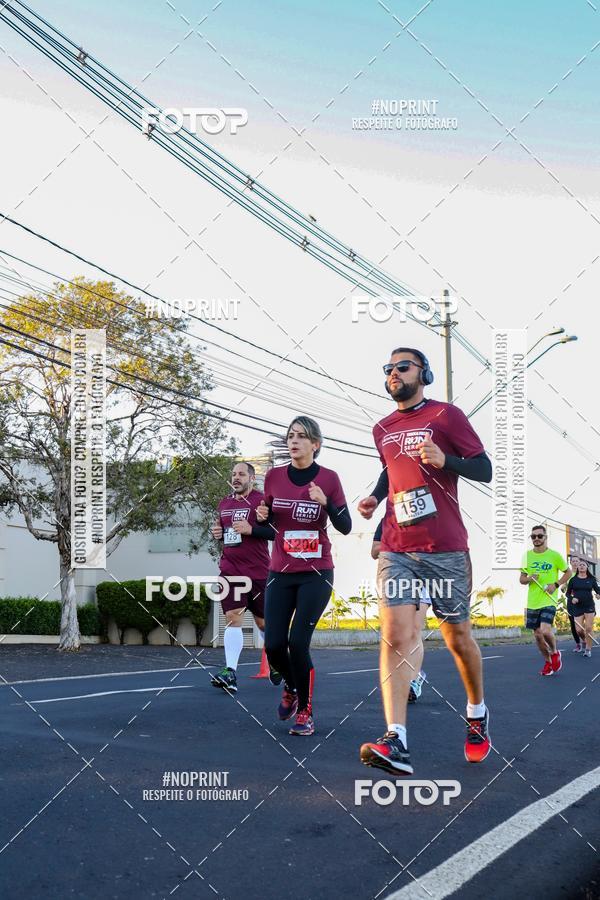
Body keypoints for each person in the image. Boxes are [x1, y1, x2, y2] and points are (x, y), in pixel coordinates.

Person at [358, 347, 493, 776]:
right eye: (388, 368)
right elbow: (389, 471)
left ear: (424, 374)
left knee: (457, 640)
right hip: (399, 547)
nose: (394, 373)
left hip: (446, 548)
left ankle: (477, 711)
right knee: (396, 633)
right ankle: (395, 738)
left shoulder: (446, 417)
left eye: (403, 366)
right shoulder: (382, 427)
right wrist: (375, 498)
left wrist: (445, 460)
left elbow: (484, 468)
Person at [257, 416, 351, 736]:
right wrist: (262, 516)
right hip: (280, 572)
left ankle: (306, 711)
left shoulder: (330, 479)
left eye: (301, 436)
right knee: (273, 645)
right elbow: (267, 525)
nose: (294, 441)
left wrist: (327, 504)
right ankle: (291, 686)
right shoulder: (273, 478)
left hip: (316, 572)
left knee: (298, 643)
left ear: (316, 445)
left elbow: (346, 526)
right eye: (290, 436)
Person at [209, 461, 276, 693]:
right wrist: (217, 534)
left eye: (241, 474)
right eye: (233, 474)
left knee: (263, 622)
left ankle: (277, 660)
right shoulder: (224, 503)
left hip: (258, 571)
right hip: (230, 570)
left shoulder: (262, 501)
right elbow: (226, 533)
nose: (236, 478)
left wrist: (252, 529)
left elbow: (275, 533)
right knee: (233, 618)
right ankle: (230, 672)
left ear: (251, 478)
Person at [372, 514, 427, 703]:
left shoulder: (426, 516)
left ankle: (414, 679)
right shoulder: (386, 520)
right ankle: (401, 676)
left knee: (414, 629)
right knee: (396, 634)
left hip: (423, 577)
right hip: (395, 579)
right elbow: (374, 550)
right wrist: (399, 545)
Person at [520, 526, 571, 675]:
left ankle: (555, 652)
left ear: (545, 537)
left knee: (545, 630)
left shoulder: (554, 556)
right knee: (537, 635)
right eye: (533, 536)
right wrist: (529, 578)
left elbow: (568, 572)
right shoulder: (527, 556)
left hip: (549, 599)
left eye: (539, 536)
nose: (536, 539)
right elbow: (522, 579)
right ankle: (548, 662)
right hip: (532, 601)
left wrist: (555, 585)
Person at [565, 557, 599, 658]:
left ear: (587, 567)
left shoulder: (591, 579)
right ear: (578, 567)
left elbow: (598, 590)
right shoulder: (573, 580)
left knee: (588, 628)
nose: (581, 566)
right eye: (580, 565)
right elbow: (567, 594)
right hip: (577, 607)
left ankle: (588, 649)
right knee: (579, 630)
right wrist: (572, 599)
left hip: (589, 606)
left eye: (583, 564)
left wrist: (598, 595)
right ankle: (584, 641)